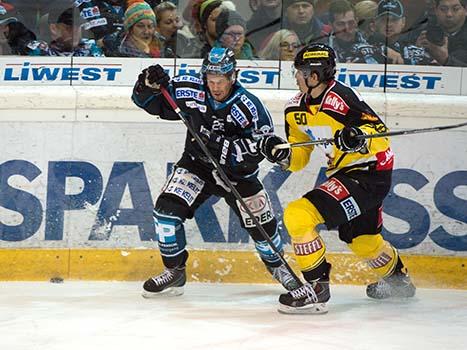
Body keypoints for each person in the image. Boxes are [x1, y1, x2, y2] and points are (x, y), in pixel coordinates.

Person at [258, 43, 416, 314]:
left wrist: (357, 138)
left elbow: (380, 136)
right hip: (346, 174)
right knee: (364, 242)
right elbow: (300, 157)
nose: (296, 77)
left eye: (300, 72)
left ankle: (316, 287)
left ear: (315, 76)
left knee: (299, 215)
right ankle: (399, 282)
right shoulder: (294, 109)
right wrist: (280, 154)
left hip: (370, 172)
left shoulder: (341, 98)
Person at [131, 47, 299, 297]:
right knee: (165, 214)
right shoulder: (191, 89)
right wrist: (147, 85)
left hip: (237, 174)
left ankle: (279, 268)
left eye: (221, 81)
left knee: (263, 228)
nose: (216, 87)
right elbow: (150, 104)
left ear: (233, 76)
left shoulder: (249, 106)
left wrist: (269, 148)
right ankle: (175, 271)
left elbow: (262, 146)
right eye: (211, 81)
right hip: (197, 165)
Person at [416, 0, 467, 66]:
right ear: (435, 10)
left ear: (466, 10)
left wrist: (445, 60)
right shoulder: (421, 31)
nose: (449, 14)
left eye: (455, 9)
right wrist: (417, 50)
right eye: (443, 9)